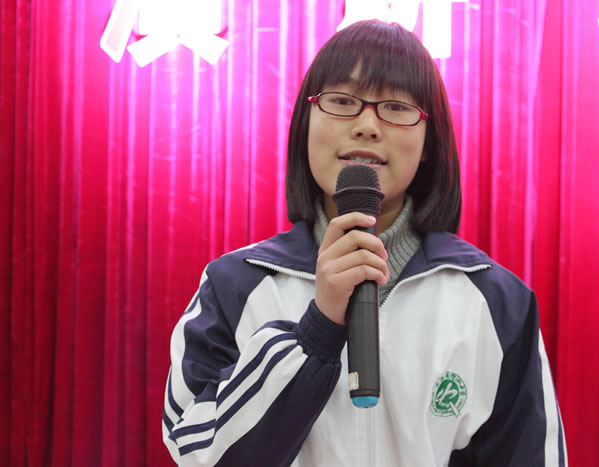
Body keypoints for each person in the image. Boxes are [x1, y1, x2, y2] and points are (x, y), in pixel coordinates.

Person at [162, 20, 567, 466]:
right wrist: (316, 331)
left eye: (395, 107)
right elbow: (198, 453)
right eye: (342, 101)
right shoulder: (232, 286)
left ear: (428, 142)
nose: (368, 126)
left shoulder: (497, 302)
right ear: (306, 124)